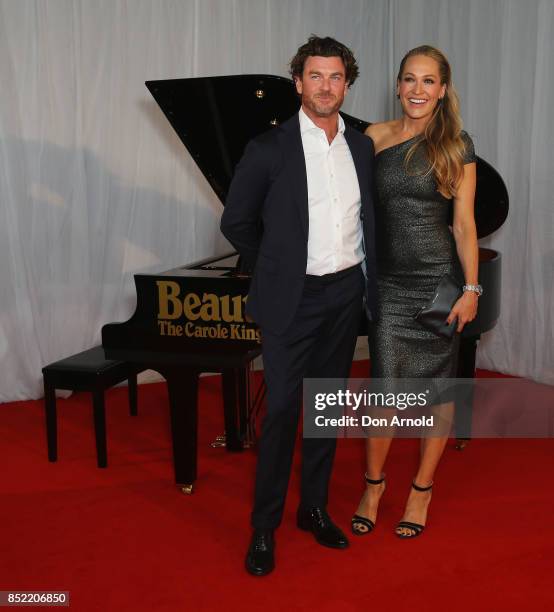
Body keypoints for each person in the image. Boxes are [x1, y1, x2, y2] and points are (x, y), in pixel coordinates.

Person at [221, 35, 377, 575]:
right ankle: (264, 527)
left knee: (326, 409)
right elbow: (235, 222)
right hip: (293, 298)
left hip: (343, 295)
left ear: (346, 83)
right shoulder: (270, 149)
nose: (326, 86)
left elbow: (366, 221)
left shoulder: (360, 146)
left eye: (335, 77)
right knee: (284, 412)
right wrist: (277, 265)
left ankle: (313, 509)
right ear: (298, 82)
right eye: (316, 76)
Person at [351, 45, 479, 539]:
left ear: (443, 90)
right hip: (388, 285)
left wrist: (471, 289)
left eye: (429, 81)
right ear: (398, 84)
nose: (417, 90)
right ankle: (373, 485)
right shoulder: (374, 137)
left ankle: (421, 489)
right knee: (384, 392)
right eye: (410, 79)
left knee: (440, 393)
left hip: (438, 285)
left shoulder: (456, 145)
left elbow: (464, 226)